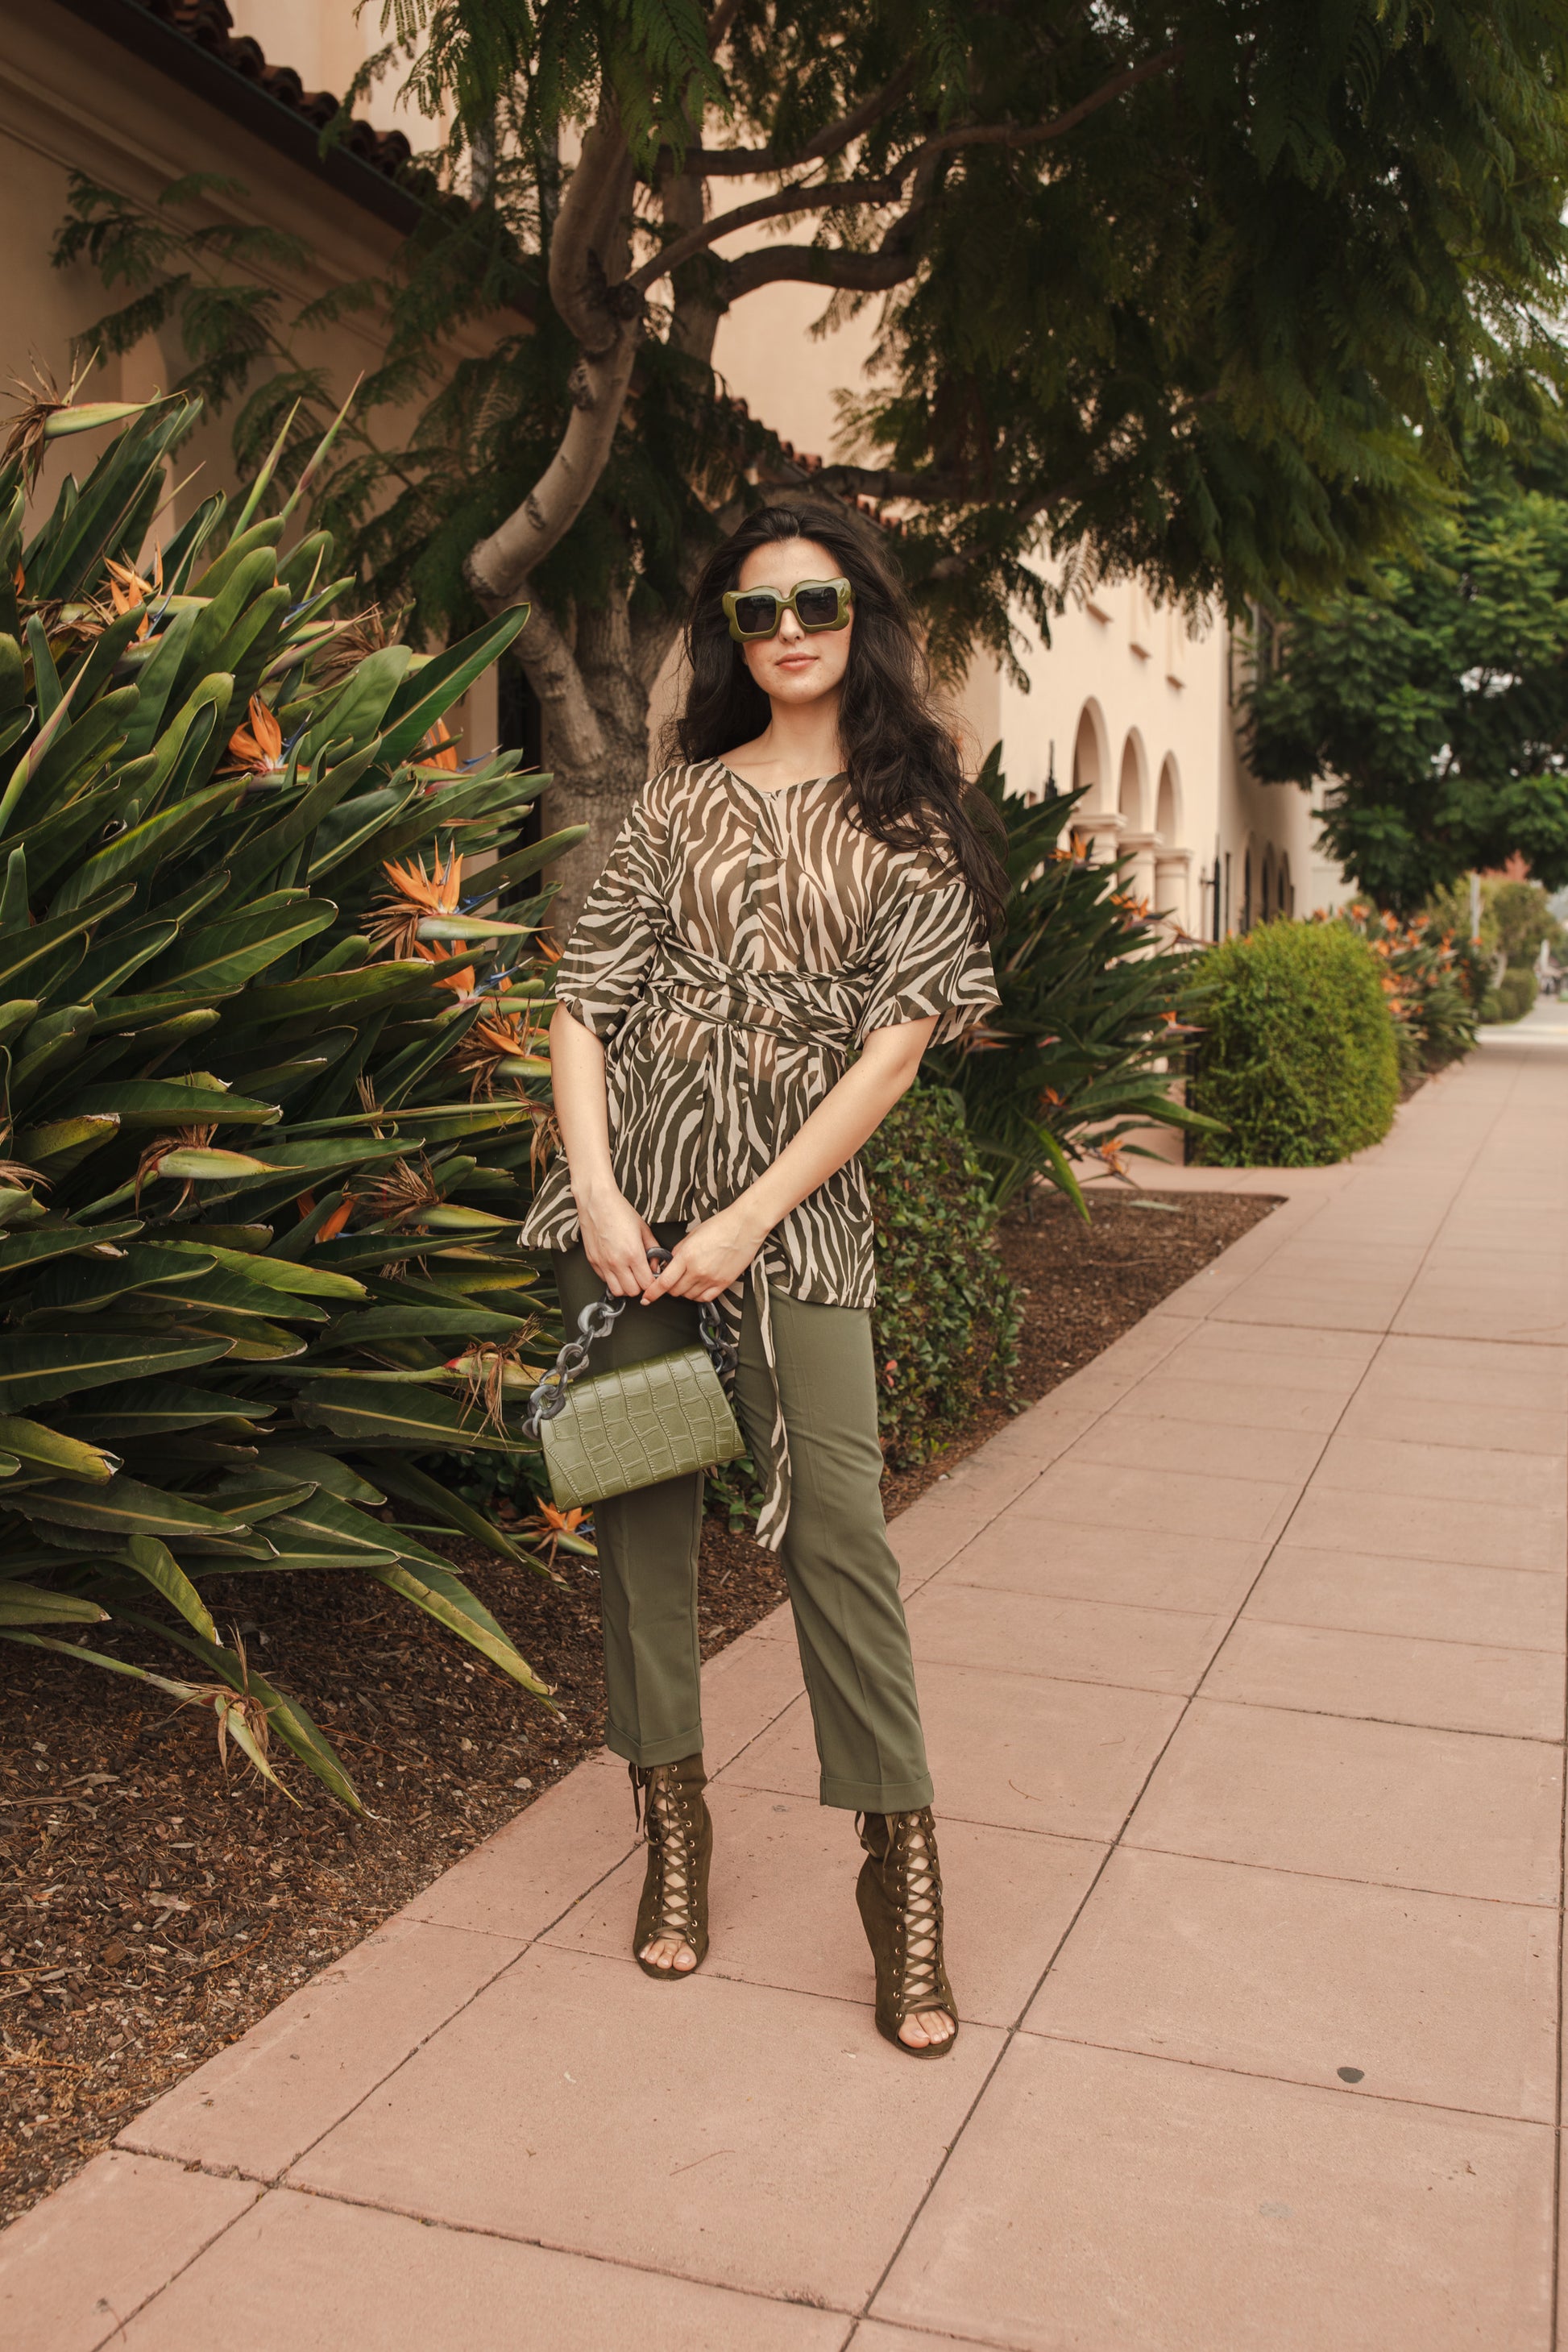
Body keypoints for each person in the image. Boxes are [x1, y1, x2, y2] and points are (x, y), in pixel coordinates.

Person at [520, 503, 1007, 2055]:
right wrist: (601, 1194)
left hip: (791, 1220)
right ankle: (671, 1828)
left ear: (861, 617)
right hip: (631, 1212)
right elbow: (585, 1003)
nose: (787, 631)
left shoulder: (910, 813)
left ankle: (899, 1870)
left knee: (840, 1533)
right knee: (642, 1519)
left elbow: (893, 1051)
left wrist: (744, 1218)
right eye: (756, 611)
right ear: (728, 636)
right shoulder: (678, 798)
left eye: (814, 602)